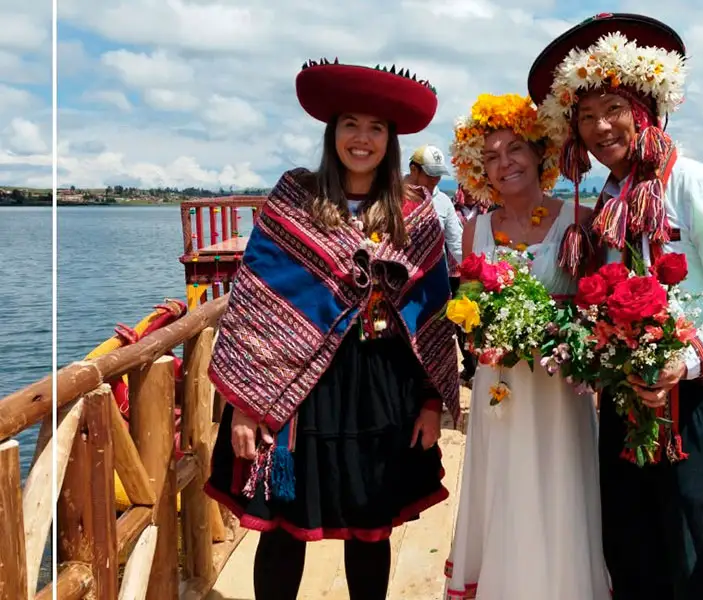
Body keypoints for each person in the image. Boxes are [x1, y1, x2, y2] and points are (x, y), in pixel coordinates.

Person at [203, 57, 460, 600]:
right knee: (279, 528)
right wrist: (248, 404)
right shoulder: (294, 199)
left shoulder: (414, 215)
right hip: (298, 391)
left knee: (371, 528)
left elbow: (434, 311)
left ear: (390, 139)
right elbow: (255, 300)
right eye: (350, 124)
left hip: (381, 389)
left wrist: (432, 402)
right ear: (332, 132)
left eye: (375, 128)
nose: (361, 138)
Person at [528, 13, 703, 599]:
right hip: (626, 396)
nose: (599, 126)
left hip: (694, 398)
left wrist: (681, 359)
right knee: (631, 546)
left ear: (644, 107)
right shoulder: (610, 194)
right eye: (584, 116)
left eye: (612, 108)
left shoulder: (697, 185)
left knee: (695, 550)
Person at [442, 93, 611, 600]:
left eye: (514, 149)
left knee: (560, 487)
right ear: (480, 170)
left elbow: (597, 307)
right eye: (490, 156)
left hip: (560, 388)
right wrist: (479, 332)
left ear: (540, 153)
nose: (504, 163)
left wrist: (560, 331)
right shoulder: (475, 229)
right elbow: (467, 306)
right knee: (504, 489)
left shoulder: (578, 220)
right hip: (501, 386)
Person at [407, 144, 465, 269]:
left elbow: (457, 243)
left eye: (438, 175)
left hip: (435, 274)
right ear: (413, 170)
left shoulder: (444, 202)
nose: (434, 180)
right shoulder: (393, 195)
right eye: (430, 175)